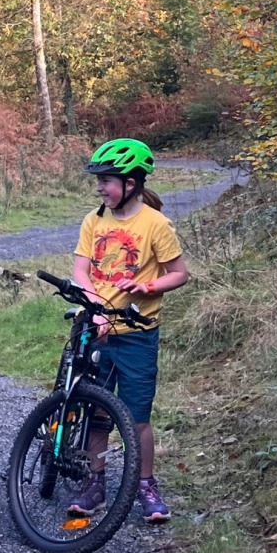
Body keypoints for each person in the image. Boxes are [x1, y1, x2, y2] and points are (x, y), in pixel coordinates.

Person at [69, 138, 188, 522]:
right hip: (98, 331)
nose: (100, 187)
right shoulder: (94, 219)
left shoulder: (156, 224)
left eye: (107, 180)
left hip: (138, 333)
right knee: (97, 412)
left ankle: (145, 484)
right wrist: (96, 309)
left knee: (137, 417)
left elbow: (179, 274)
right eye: (99, 180)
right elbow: (80, 270)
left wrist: (149, 287)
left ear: (133, 182)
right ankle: (95, 482)